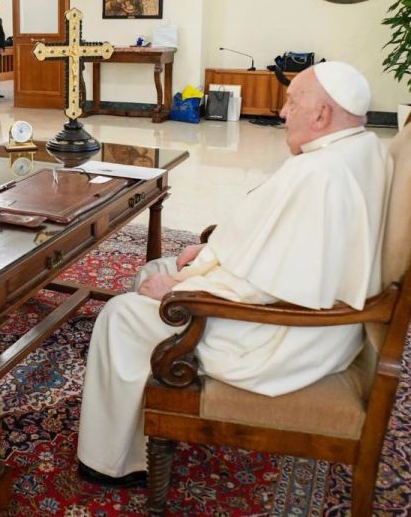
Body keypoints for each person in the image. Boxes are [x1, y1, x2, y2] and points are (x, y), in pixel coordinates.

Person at [76, 61, 393, 487]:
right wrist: (211, 250)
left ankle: (109, 463)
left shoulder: (319, 173)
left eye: (291, 103)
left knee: (120, 314)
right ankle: (148, 415)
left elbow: (262, 286)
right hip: (317, 327)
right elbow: (288, 251)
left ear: (321, 115)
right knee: (155, 269)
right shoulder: (362, 148)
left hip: (279, 340)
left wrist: (182, 286)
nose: (282, 113)